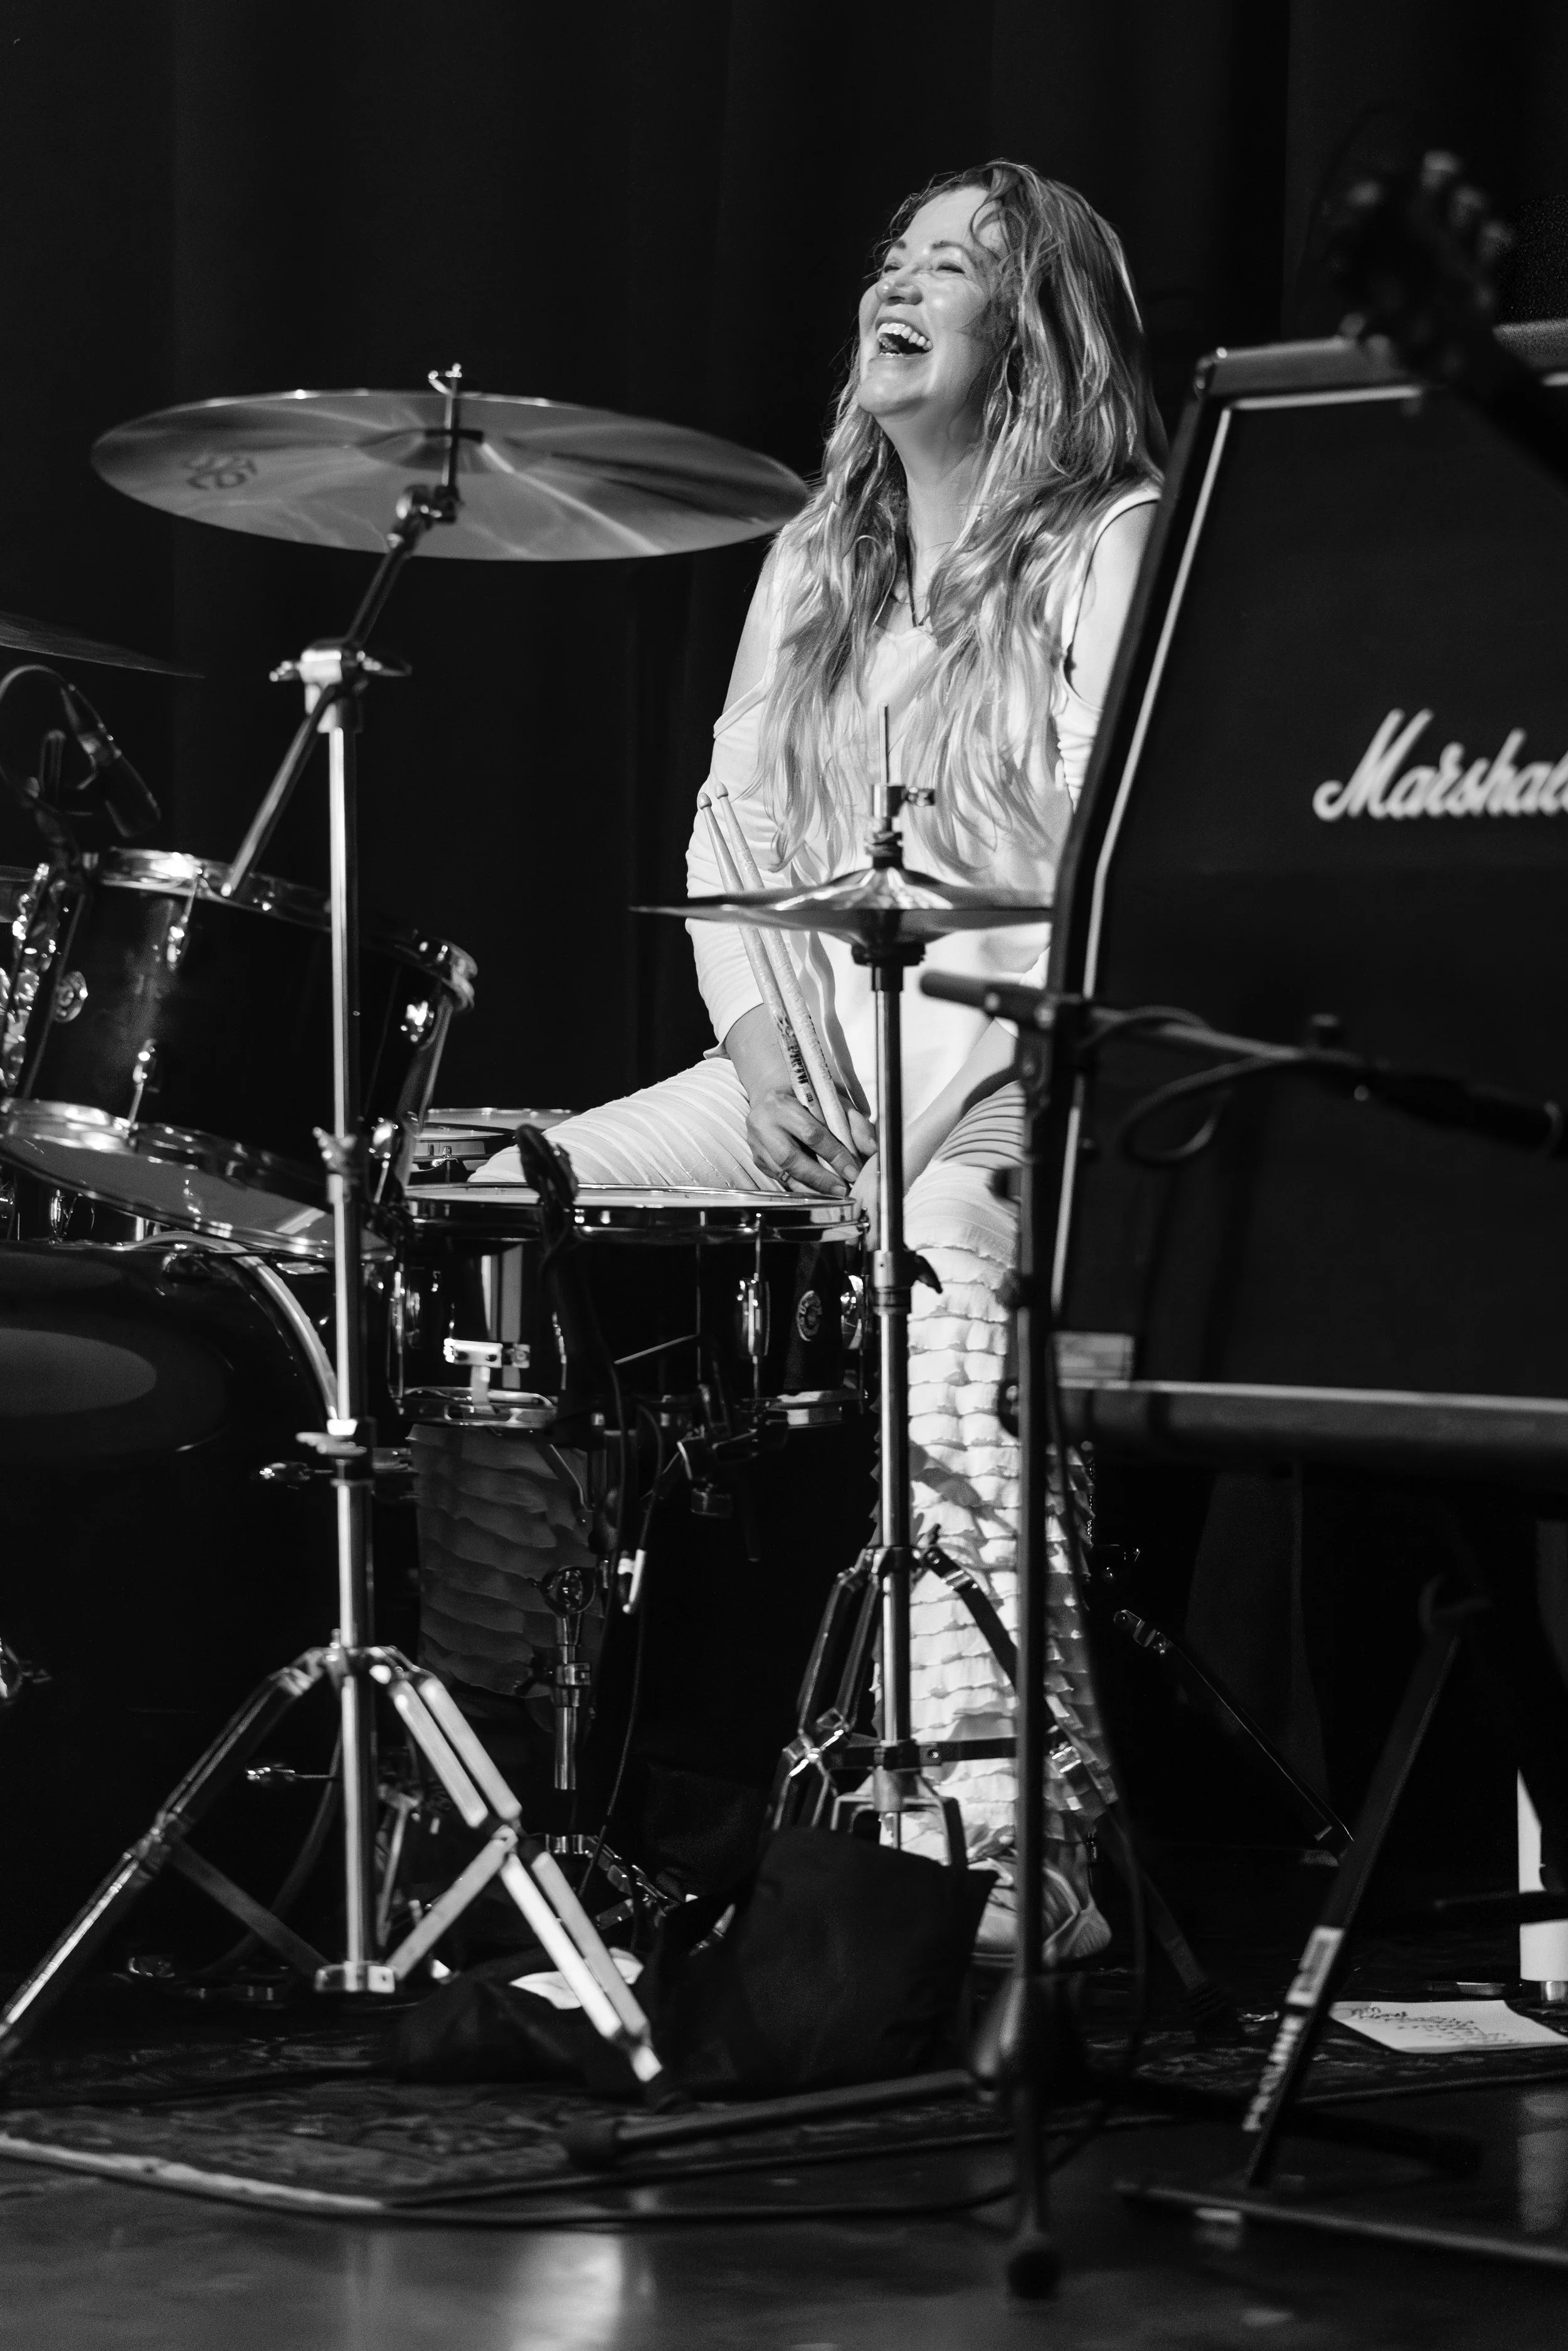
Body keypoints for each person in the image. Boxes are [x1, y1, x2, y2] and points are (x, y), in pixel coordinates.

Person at [435, 159, 1162, 1953]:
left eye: (957, 265)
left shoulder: (1108, 537)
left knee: (944, 1249)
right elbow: (731, 834)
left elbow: (1113, 854)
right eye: (890, 255)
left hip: (1024, 1079)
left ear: (1042, 326)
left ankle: (1007, 1842)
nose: (896, 285)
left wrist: (909, 1084)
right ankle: (478, 1774)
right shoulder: (814, 557)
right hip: (809, 1077)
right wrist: (761, 1050)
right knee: (476, 1213)